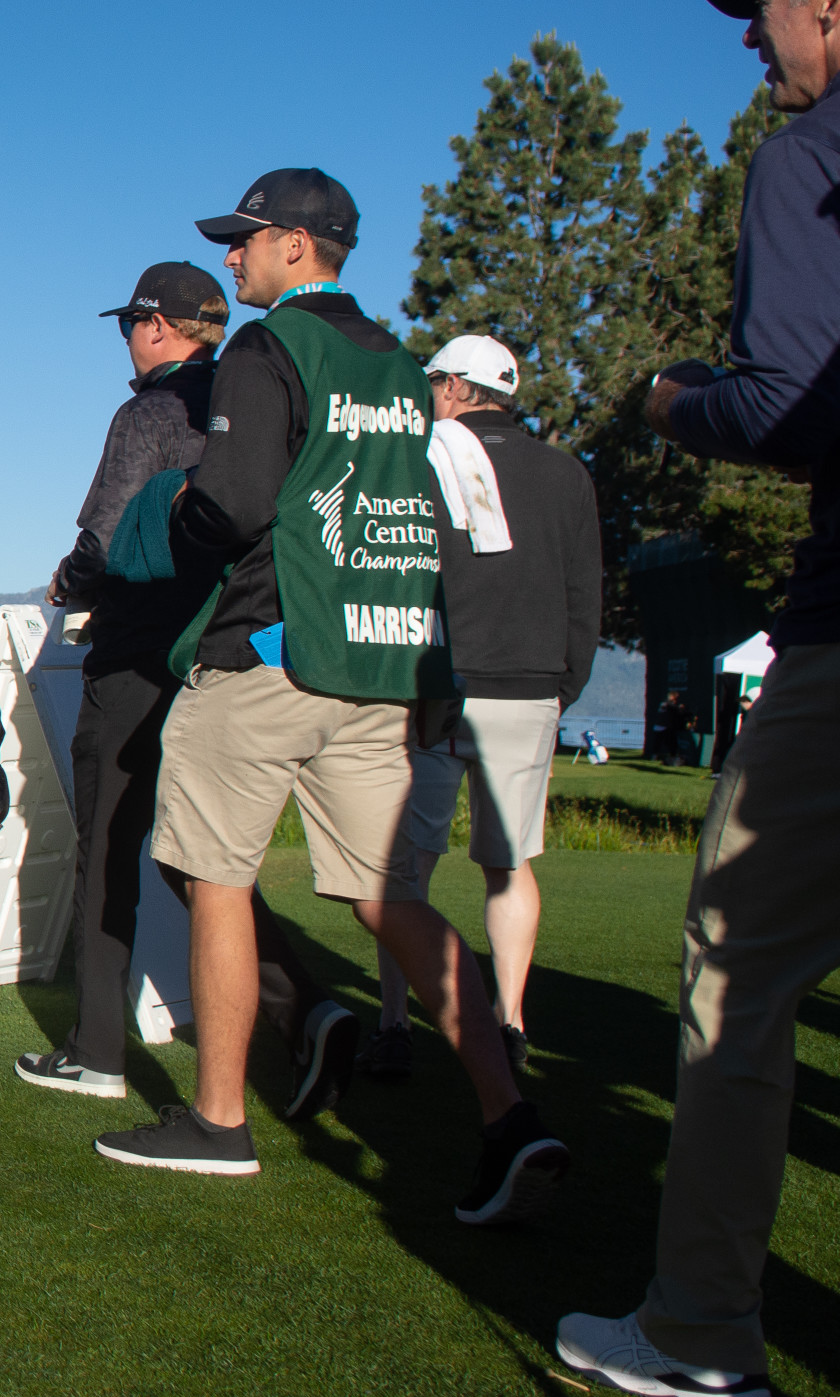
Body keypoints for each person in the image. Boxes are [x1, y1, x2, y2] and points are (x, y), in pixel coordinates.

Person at [559, 0, 840, 1397]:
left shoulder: (820, 152)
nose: (750, 43)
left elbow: (789, 409)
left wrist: (673, 405)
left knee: (739, 972)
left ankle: (700, 1323)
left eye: (758, 10)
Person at [100, 168, 567, 1228]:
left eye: (246, 239)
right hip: (381, 665)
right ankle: (509, 1109)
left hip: (269, 648)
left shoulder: (270, 350)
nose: (233, 257)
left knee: (209, 874)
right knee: (388, 898)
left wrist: (155, 529)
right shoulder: (403, 365)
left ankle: (220, 1117)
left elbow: (231, 505)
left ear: (298, 246)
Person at [18, 262, 358, 1113]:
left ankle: (96, 1049)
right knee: (200, 860)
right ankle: (306, 1007)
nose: (127, 342)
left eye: (129, 324)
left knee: (109, 851)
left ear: (159, 326)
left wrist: (68, 583)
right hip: (221, 654)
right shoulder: (256, 397)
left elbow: (101, 542)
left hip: (137, 654)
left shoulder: (150, 410)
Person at [368, 335, 600, 1078]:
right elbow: (583, 593)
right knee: (509, 862)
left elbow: (403, 572)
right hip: (529, 685)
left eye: (434, 381)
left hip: (436, 682)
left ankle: (398, 1019)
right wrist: (567, 681)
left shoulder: (421, 458)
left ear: (459, 388)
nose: (428, 394)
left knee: (407, 866)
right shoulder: (566, 475)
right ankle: (511, 1019)